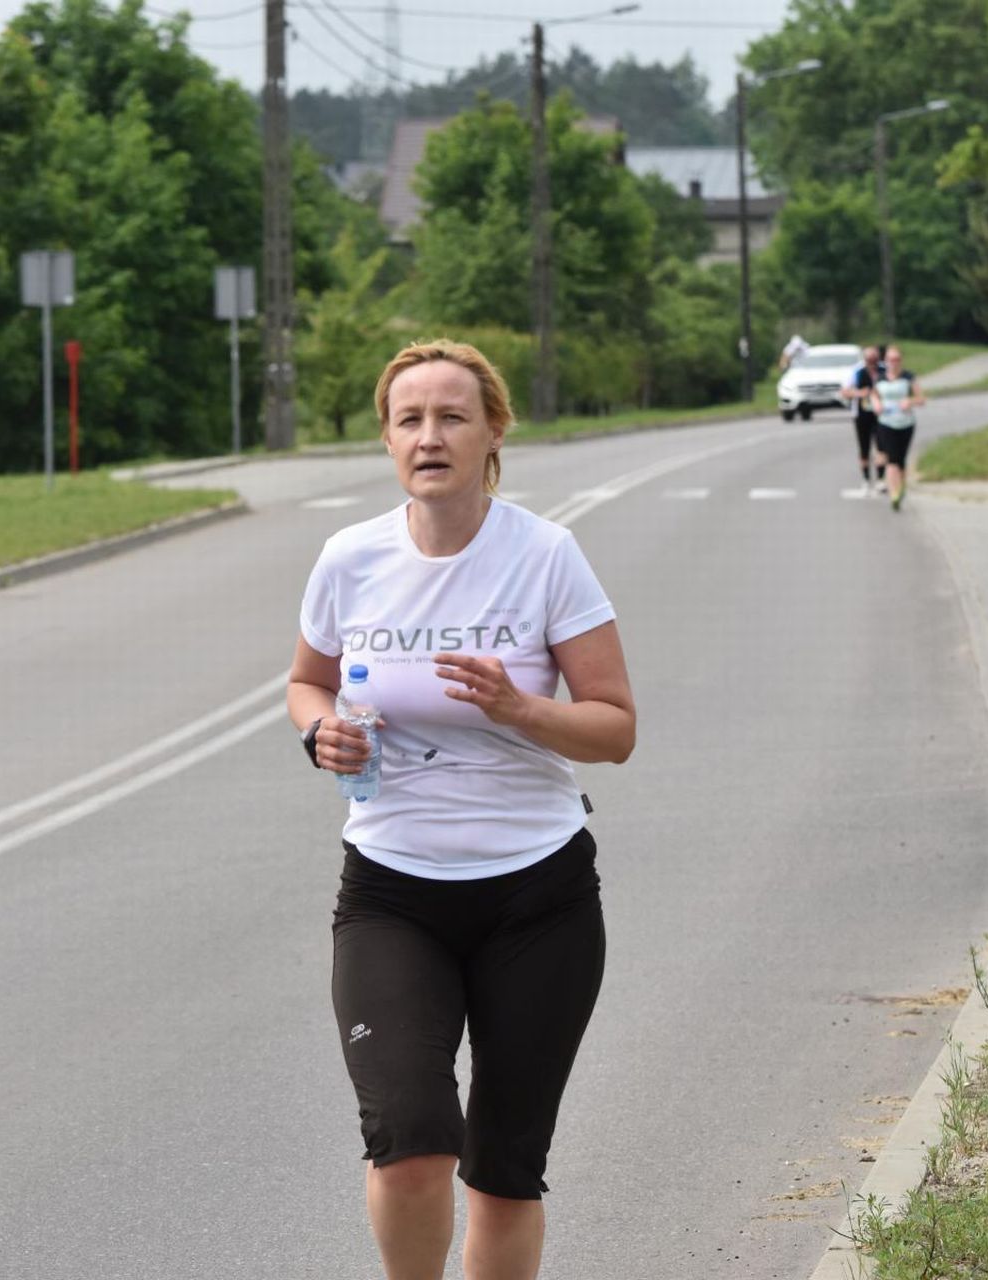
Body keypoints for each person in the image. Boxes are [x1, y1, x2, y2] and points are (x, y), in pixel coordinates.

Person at [287, 338, 637, 1280]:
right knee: (409, 1141)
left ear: (493, 434)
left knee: (504, 1172)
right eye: (410, 420)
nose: (429, 436)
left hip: (538, 898)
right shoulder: (350, 558)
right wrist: (321, 732)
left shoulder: (545, 555)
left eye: (452, 417)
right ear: (387, 438)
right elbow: (306, 681)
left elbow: (614, 729)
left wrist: (520, 708)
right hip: (392, 892)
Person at [868, 345, 925, 511]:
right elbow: (873, 395)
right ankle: (894, 494)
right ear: (885, 361)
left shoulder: (908, 377)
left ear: (901, 361)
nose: (894, 363)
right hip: (886, 423)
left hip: (906, 423)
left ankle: (901, 486)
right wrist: (876, 404)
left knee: (901, 460)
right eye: (890, 359)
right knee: (891, 460)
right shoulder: (880, 379)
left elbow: (921, 398)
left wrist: (910, 401)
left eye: (897, 359)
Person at [839, 345, 886, 494]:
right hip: (862, 414)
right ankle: (866, 479)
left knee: (881, 447)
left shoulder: (884, 370)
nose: (872, 362)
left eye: (874, 359)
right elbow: (844, 391)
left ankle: (880, 479)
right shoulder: (857, 371)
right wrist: (860, 393)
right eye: (869, 359)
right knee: (864, 448)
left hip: (881, 414)